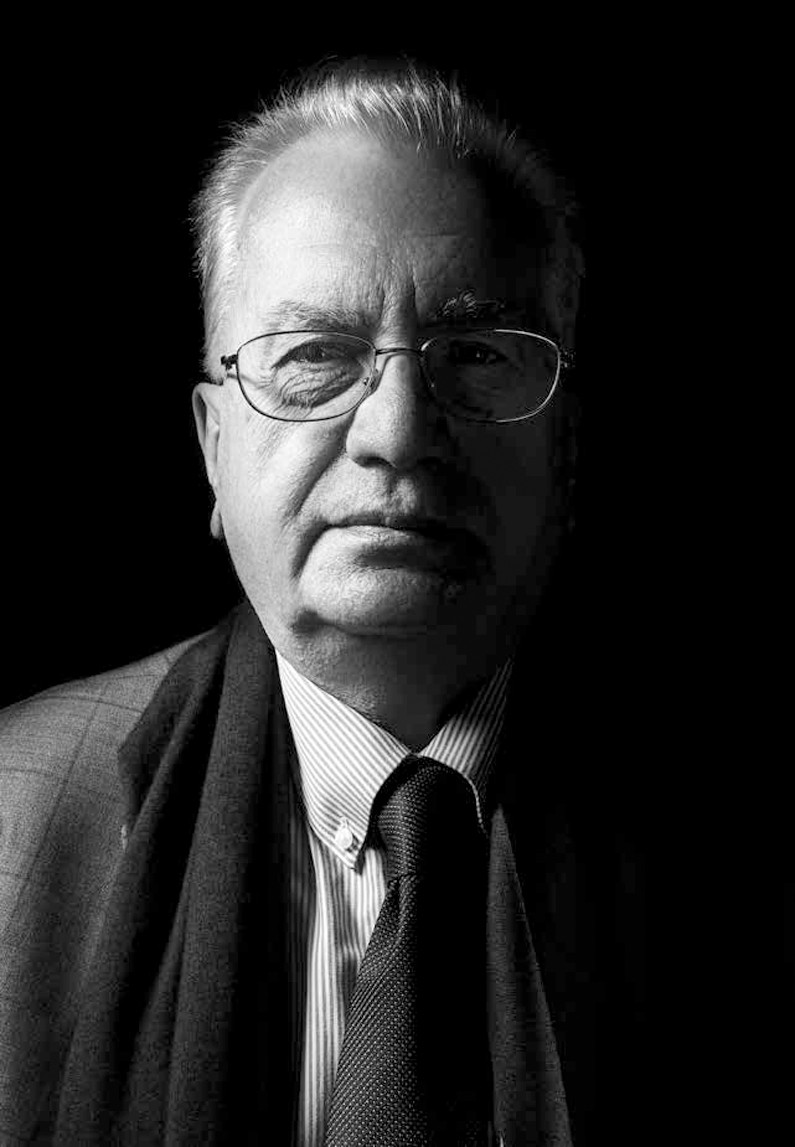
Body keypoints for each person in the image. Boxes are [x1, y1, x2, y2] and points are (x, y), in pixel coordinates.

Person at [0, 59, 645, 1145]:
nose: (397, 431)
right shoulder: (10, 822)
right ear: (214, 447)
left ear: (566, 448)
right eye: (313, 357)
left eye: (474, 355)